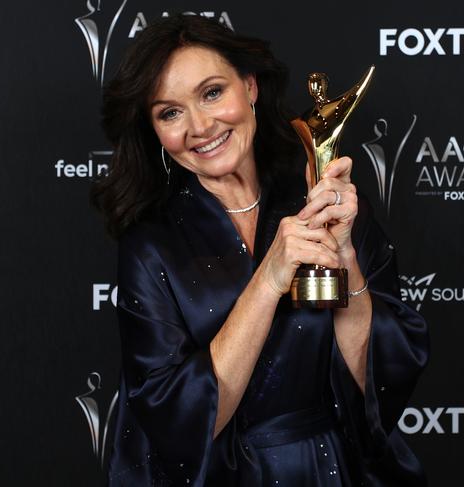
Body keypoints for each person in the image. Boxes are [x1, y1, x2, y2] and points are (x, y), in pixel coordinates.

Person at [92, 14, 429, 487]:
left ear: (249, 87)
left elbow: (380, 379)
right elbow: (181, 422)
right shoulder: (151, 246)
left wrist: (347, 257)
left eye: (212, 93)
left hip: (334, 470)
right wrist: (270, 277)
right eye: (170, 112)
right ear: (154, 130)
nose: (200, 126)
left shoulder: (321, 196)